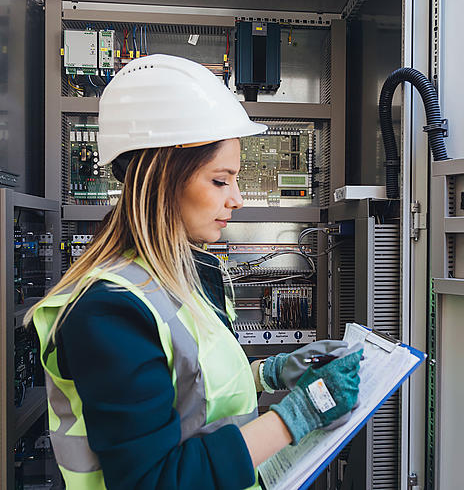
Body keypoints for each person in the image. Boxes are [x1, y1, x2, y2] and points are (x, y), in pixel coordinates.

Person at [26, 54, 362, 489]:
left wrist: (268, 373)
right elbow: (157, 480)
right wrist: (297, 414)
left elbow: (191, 390)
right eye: (221, 181)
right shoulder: (107, 311)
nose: (237, 199)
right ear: (164, 179)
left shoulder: (175, 279)